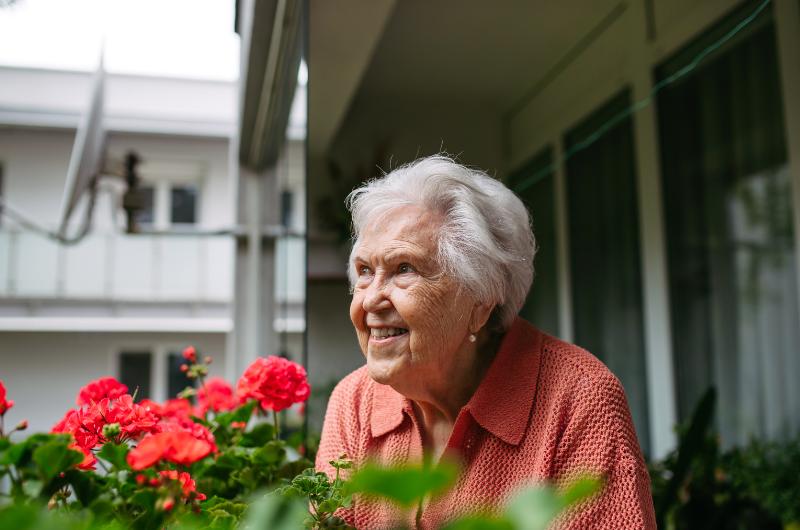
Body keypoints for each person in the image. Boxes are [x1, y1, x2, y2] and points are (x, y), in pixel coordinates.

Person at [316, 155, 656, 529]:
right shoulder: (355, 401)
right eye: (365, 272)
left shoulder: (578, 399)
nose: (370, 300)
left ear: (480, 303)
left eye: (404, 269)